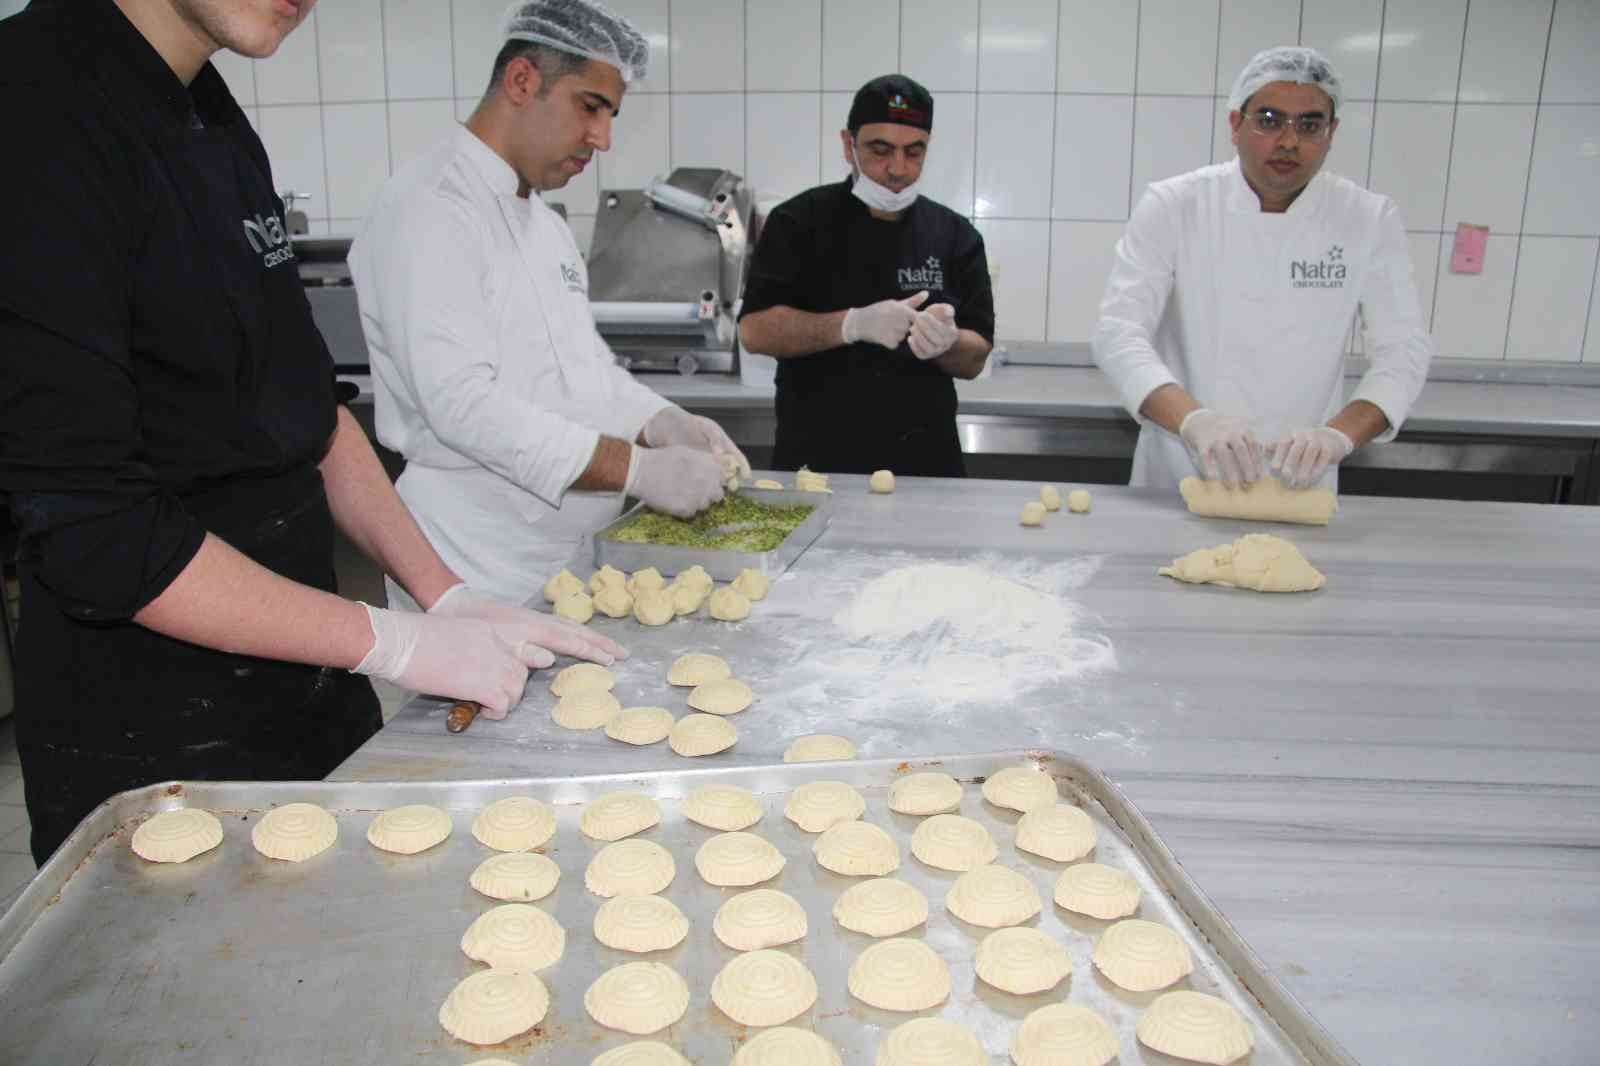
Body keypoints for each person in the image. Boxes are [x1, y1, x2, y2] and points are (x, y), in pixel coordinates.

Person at [0, 0, 622, 866]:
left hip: (306, 691)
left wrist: (443, 597)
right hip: (154, 741)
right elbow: (99, 531)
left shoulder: (209, 110)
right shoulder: (34, 107)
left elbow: (310, 413)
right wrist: (392, 639)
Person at [350, 0, 750, 611]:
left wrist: (663, 420)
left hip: (567, 562)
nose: (603, 138)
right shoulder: (430, 206)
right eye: (590, 107)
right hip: (472, 567)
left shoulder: (545, 223)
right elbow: (461, 405)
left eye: (611, 115)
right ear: (521, 81)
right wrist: (638, 471)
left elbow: (583, 376)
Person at [1092, 47, 1433, 492]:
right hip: (1181, 475)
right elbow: (1118, 333)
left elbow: (1403, 351)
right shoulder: (1176, 205)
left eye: (1310, 124)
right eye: (1269, 120)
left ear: (1332, 132)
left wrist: (1337, 437)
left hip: (1299, 486)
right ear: (1236, 124)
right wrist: (1194, 422)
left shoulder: (1366, 218)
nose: (1289, 141)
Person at [738, 74, 995, 478]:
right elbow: (754, 331)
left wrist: (946, 343)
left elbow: (976, 356)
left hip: (925, 468)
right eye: (880, 149)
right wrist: (851, 324)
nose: (897, 168)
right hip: (817, 466)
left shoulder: (956, 235)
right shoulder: (798, 223)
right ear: (848, 145)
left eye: (914, 152)